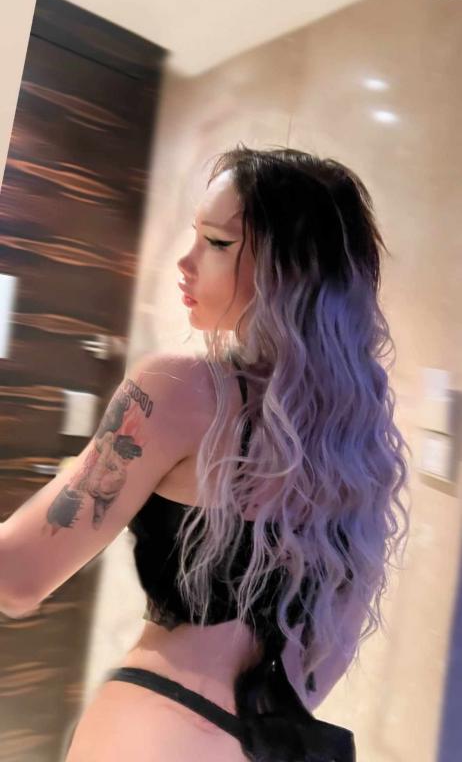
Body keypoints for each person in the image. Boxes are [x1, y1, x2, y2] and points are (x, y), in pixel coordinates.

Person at [1, 144, 411, 761]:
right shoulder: (357, 444)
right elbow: (326, 658)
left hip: (152, 729)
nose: (185, 261)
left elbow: (17, 578)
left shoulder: (180, 388)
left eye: (218, 243)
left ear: (288, 270)